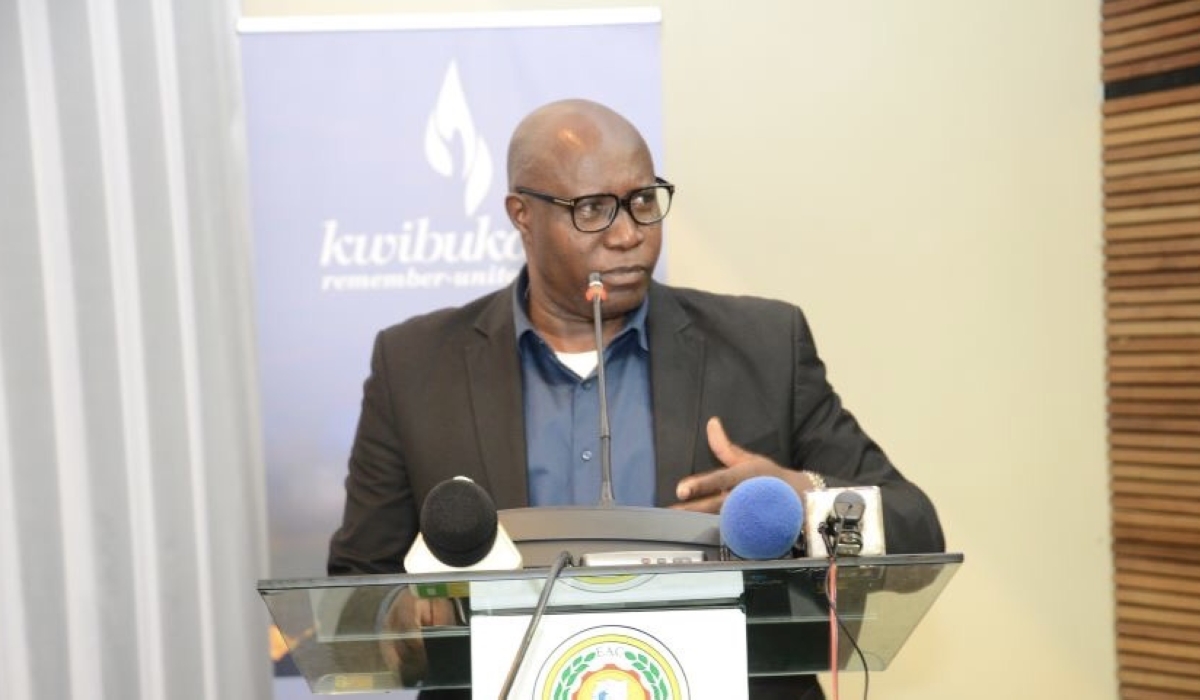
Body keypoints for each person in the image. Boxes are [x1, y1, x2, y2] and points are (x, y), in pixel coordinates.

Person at [328, 98, 944, 699]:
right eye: (593, 209)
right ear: (522, 214)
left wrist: (800, 497)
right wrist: (406, 616)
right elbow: (352, 596)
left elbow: (918, 534)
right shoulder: (414, 367)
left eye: (644, 201)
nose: (629, 235)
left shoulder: (763, 347)